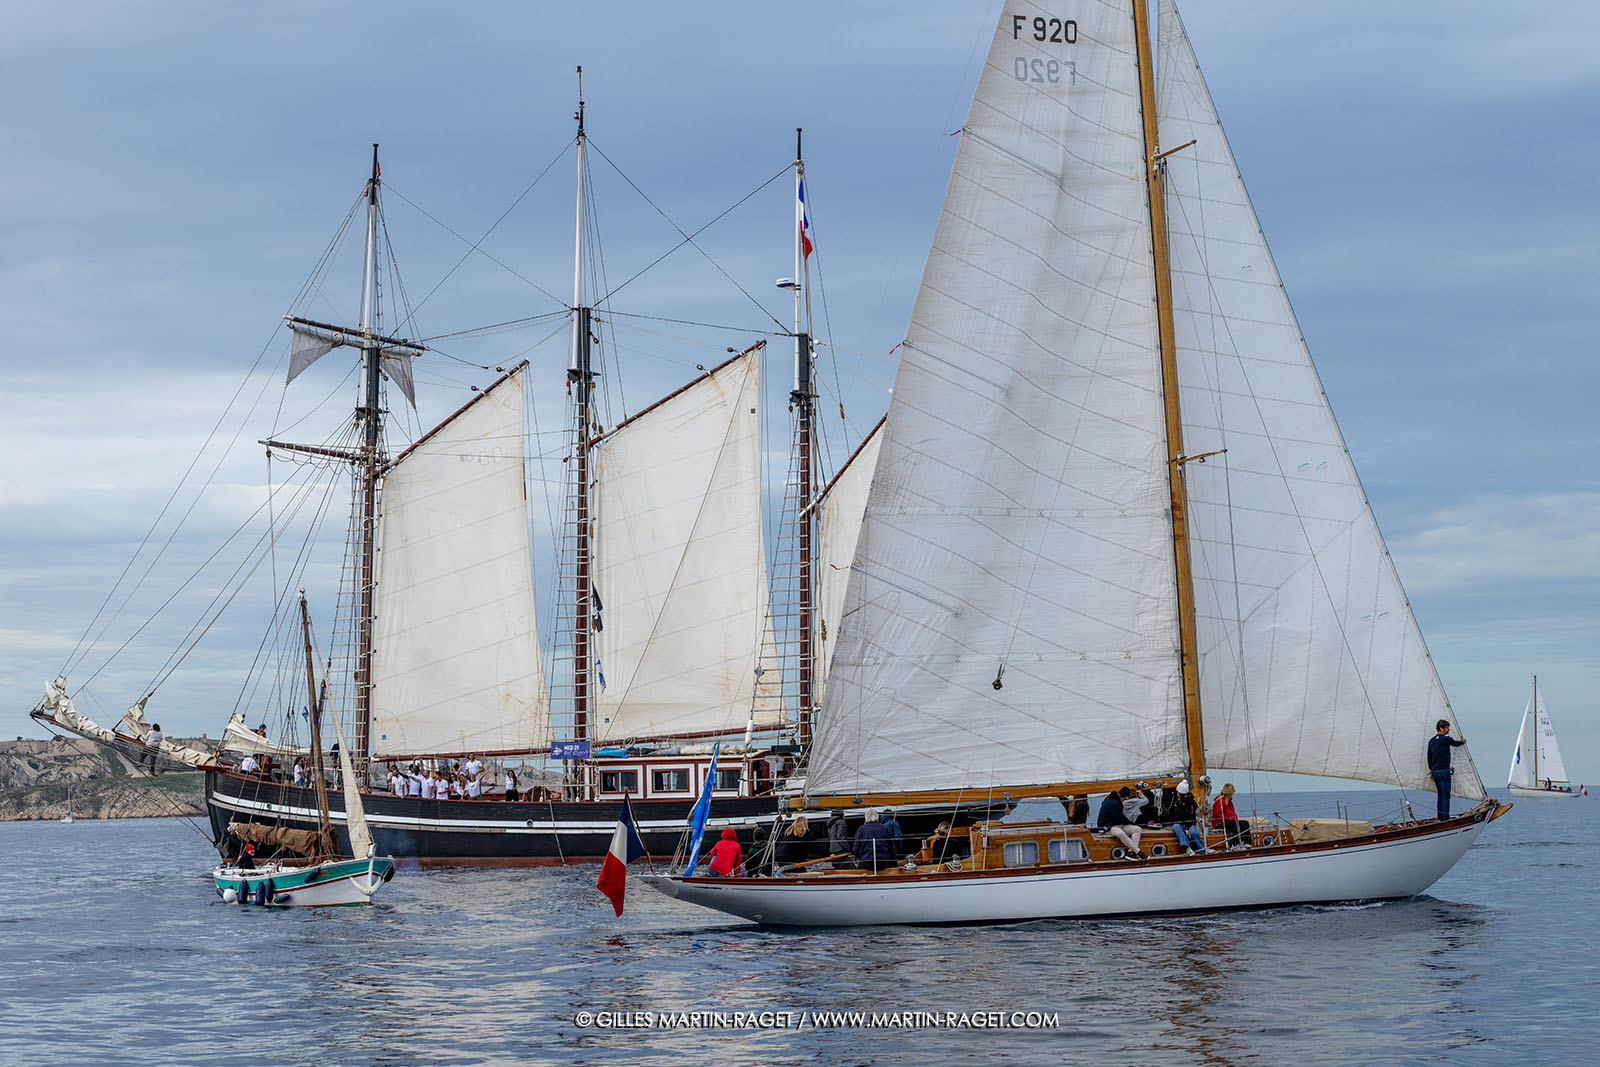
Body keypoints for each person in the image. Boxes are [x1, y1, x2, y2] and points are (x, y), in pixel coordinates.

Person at [1427, 719, 1467, 820]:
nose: (1449, 729)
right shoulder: (1446, 739)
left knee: (1440, 796)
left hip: (1435, 772)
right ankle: (1445, 818)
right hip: (1444, 771)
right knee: (1445, 796)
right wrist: (1463, 741)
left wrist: (1432, 771)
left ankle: (1440, 817)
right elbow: (1456, 743)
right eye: (1447, 727)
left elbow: (1429, 758)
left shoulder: (1431, 741)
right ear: (1441, 728)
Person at [1096, 788, 1146, 858]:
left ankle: (1131, 852)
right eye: (1127, 797)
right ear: (1125, 797)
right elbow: (1120, 818)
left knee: (1137, 829)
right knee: (1121, 833)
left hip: (1117, 824)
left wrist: (1131, 824)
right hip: (1108, 827)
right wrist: (1131, 823)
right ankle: (1138, 852)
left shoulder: (1111, 797)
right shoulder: (1114, 803)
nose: (1127, 799)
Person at [1169, 780, 1205, 855]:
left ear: (1180, 793)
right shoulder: (1178, 802)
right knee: (1176, 826)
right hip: (1181, 823)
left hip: (1190, 823)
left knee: (1193, 832)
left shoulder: (1191, 803)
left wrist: (1187, 829)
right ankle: (1186, 847)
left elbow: (1191, 816)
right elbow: (1178, 817)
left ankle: (1202, 849)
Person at [1211, 783, 1250, 848]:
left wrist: (1233, 818)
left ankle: (1245, 842)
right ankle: (1234, 844)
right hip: (1219, 823)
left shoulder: (1229, 802)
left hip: (1228, 821)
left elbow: (1232, 813)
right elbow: (1217, 815)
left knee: (1245, 823)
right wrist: (1228, 818)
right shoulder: (1220, 801)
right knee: (1235, 824)